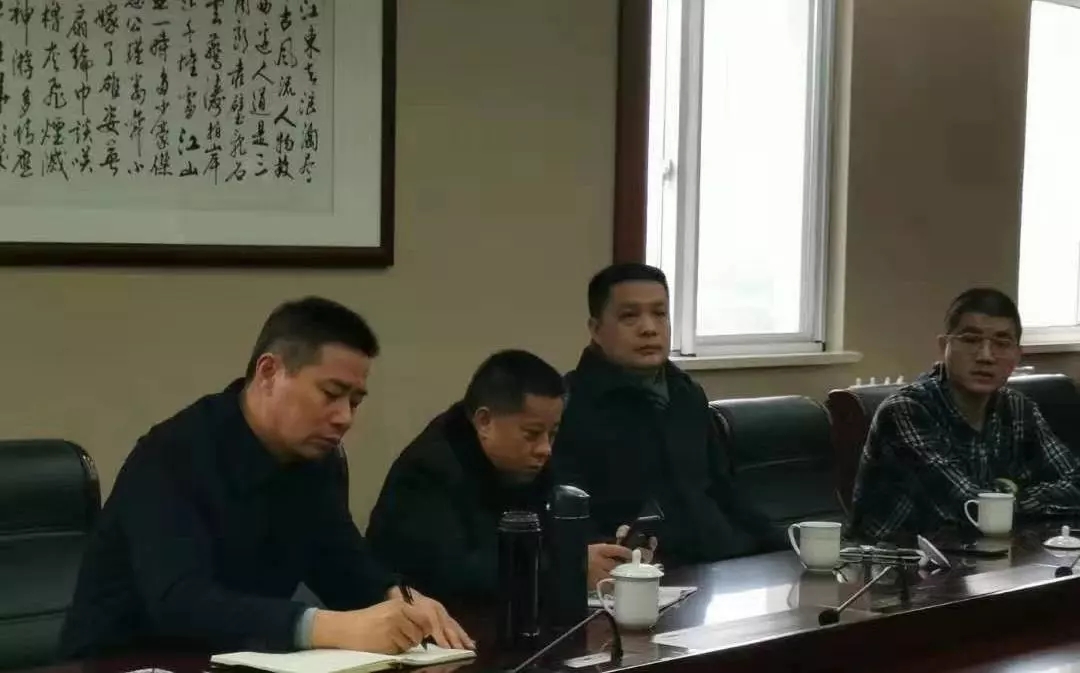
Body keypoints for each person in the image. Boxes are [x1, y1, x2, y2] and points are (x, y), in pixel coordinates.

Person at [61, 297, 473, 659]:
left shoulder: (317, 460)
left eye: (355, 401)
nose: (344, 417)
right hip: (123, 659)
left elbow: (341, 561)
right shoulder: (173, 453)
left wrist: (397, 597)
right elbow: (179, 600)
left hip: (239, 659)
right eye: (331, 394)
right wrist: (326, 627)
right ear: (269, 372)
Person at [551, 263, 783, 566]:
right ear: (596, 330)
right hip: (638, 571)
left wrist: (787, 545)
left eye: (659, 314)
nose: (649, 328)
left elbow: (724, 490)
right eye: (629, 316)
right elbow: (564, 513)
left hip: (719, 560)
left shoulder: (687, 394)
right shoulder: (570, 404)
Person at [367, 349, 636, 605]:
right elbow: (457, 574)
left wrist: (608, 549)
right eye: (532, 434)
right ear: (484, 422)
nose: (545, 449)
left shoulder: (529, 460)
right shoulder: (428, 469)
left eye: (553, 433)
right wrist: (567, 566)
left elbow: (556, 534)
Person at [849, 288, 1080, 542]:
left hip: (990, 556)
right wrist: (1022, 498)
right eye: (971, 340)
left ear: (1017, 355)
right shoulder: (907, 411)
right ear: (944, 347)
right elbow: (972, 508)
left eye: (1002, 343)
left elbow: (1075, 482)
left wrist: (1009, 501)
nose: (986, 356)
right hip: (896, 561)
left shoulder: (1018, 409)